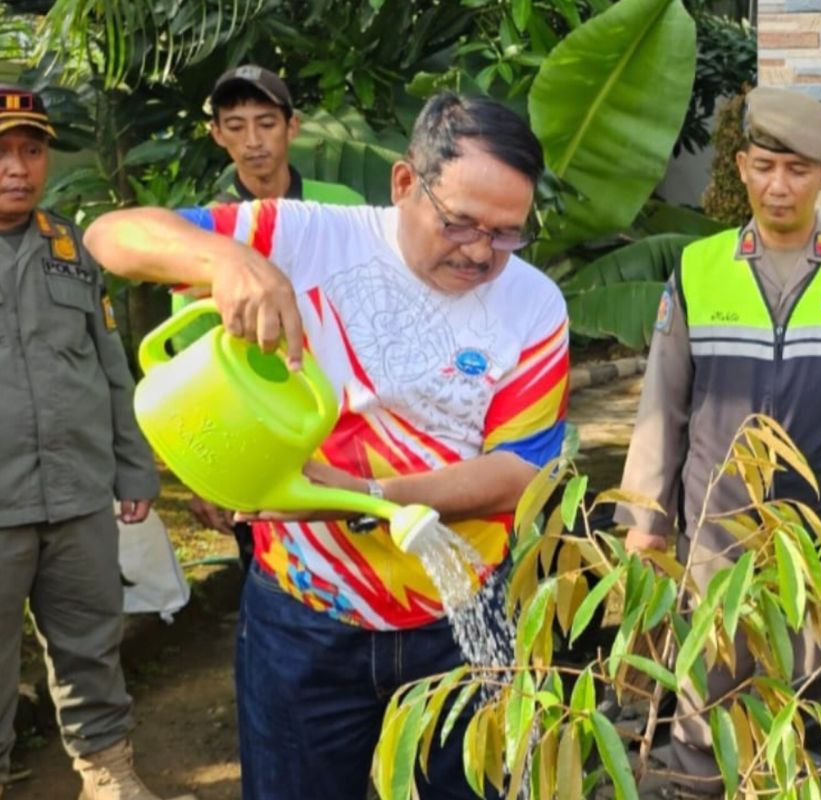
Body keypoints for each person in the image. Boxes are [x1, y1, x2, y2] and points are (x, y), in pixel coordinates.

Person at [84, 91, 569, 800]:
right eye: (460, 223)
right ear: (406, 183)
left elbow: (521, 471)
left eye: (506, 234)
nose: (479, 252)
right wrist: (227, 259)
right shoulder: (306, 237)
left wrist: (370, 498)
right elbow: (111, 235)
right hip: (303, 620)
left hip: (458, 616)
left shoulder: (532, 304)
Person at [617, 86, 821, 795]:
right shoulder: (698, 270)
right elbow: (661, 407)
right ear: (741, 166)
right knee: (705, 723)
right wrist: (644, 528)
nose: (777, 187)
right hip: (713, 546)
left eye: (796, 170)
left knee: (819, 722)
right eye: (763, 167)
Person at [0, 87, 187, 800]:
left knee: (91, 642)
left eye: (32, 150)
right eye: (2, 152)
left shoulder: (71, 248)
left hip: (77, 494)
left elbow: (112, 367)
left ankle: (108, 775)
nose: (18, 168)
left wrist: (135, 471)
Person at [176, 64, 366, 566]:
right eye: (235, 126)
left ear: (292, 126)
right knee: (276, 575)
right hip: (261, 437)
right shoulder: (205, 236)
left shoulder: (343, 209)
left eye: (266, 122)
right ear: (217, 134)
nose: (253, 140)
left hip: (350, 426)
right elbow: (197, 364)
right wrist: (205, 474)